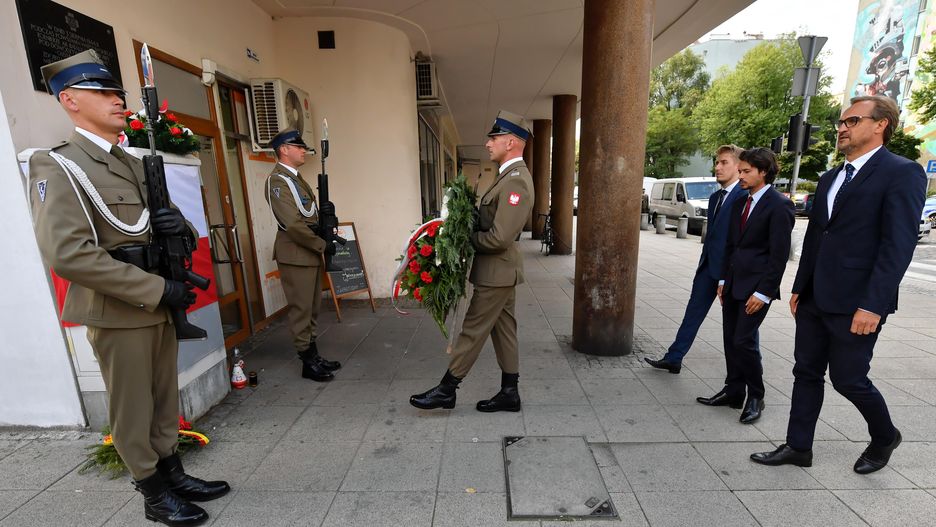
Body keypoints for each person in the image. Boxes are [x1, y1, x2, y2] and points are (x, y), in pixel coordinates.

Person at [29, 50, 228, 527]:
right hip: (119, 308)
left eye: (118, 91)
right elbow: (69, 254)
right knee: (132, 405)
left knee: (163, 396)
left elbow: (163, 221)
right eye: (104, 92)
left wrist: (174, 224)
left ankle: (172, 471)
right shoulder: (58, 165)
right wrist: (157, 290)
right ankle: (153, 492)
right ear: (70, 99)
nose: (119, 100)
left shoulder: (130, 160)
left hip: (155, 301)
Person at [752, 96, 927, 472]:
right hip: (815, 295)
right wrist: (800, 286)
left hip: (857, 301)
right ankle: (798, 447)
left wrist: (874, 304)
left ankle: (884, 436)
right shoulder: (832, 176)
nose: (842, 129)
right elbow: (817, 235)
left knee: (849, 379)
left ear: (880, 125)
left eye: (852, 121)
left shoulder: (902, 172)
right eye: (841, 123)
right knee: (806, 372)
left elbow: (897, 245)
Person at [410, 110, 534, 412]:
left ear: (511, 142)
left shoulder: (516, 182)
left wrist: (464, 240)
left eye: (494, 137)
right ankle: (510, 392)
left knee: (473, 330)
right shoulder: (505, 177)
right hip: (500, 272)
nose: (488, 143)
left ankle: (447, 389)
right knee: (504, 330)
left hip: (497, 273)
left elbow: (499, 238)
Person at [699, 147, 794, 424]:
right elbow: (731, 245)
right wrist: (722, 279)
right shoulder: (742, 202)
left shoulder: (779, 205)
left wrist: (763, 293)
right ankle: (733, 391)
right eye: (739, 171)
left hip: (756, 288)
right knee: (731, 339)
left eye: (745, 171)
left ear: (763, 172)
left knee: (744, 341)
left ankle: (756, 395)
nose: (740, 176)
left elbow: (778, 256)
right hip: (732, 284)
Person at [645, 145, 747, 374]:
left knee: (741, 329)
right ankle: (674, 357)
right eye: (717, 162)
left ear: (739, 166)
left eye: (724, 163)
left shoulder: (743, 197)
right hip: (708, 268)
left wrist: (728, 275)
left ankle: (750, 382)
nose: (717, 167)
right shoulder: (715, 198)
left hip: (730, 274)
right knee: (692, 314)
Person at [265, 129, 341, 382]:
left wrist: (326, 218)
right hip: (297, 253)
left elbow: (308, 214)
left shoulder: (296, 178)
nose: (303, 150)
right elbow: (292, 224)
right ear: (283, 150)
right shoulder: (278, 180)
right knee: (301, 310)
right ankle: (307, 362)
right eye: (297, 146)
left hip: (307, 252)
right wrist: (321, 244)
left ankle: (314, 355)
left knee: (313, 308)